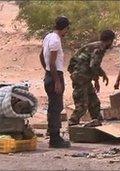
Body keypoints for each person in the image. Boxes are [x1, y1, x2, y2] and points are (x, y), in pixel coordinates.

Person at [68, 30, 115, 126]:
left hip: (84, 76)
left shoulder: (95, 45)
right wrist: (97, 81)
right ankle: (72, 123)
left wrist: (103, 74)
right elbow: (93, 66)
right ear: (110, 40)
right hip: (81, 77)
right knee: (82, 105)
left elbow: (94, 64)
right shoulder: (99, 48)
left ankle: (97, 121)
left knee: (94, 102)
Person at [39, 16, 70, 148]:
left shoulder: (48, 37)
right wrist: (56, 81)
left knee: (53, 107)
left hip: (49, 75)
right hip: (55, 75)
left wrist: (46, 72)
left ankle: (53, 135)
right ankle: (55, 138)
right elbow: (52, 63)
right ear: (64, 28)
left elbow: (41, 56)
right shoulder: (56, 40)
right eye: (67, 29)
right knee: (56, 108)